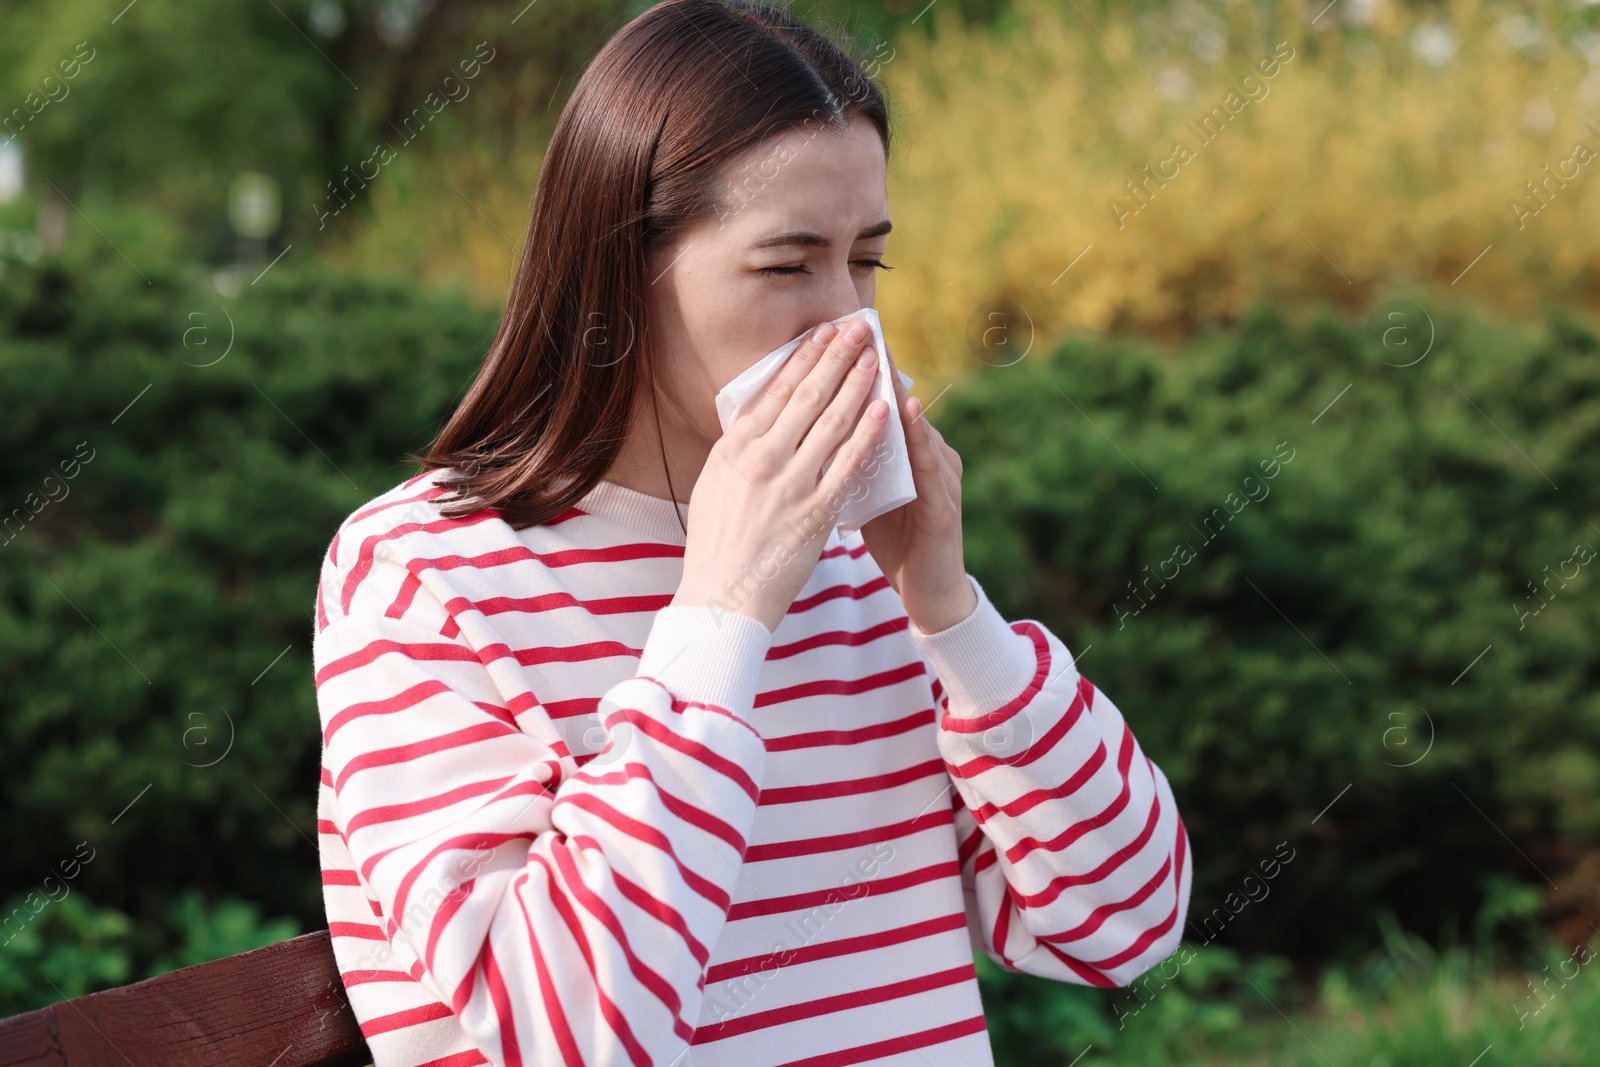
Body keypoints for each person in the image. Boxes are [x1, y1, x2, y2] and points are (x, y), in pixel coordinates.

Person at [311, 2, 1192, 1064]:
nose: (843, 323)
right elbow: (571, 1024)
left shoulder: (858, 561)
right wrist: (724, 611)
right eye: (787, 265)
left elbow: (1125, 924)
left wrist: (953, 615)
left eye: (866, 261)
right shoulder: (419, 571)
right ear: (621, 270)